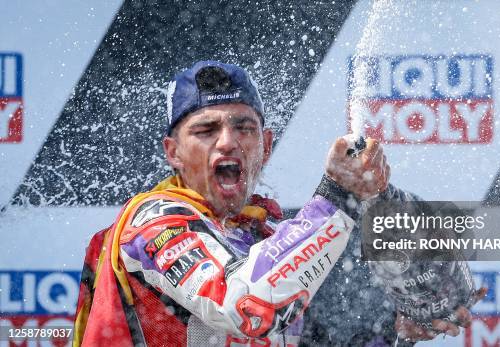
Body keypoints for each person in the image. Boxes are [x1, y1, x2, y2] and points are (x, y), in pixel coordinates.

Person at [72, 60, 478, 347]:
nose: (228, 141)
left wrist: (395, 329)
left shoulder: (267, 238)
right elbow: (247, 306)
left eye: (244, 127)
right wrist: (337, 194)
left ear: (265, 146)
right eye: (206, 129)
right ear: (173, 153)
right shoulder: (153, 220)